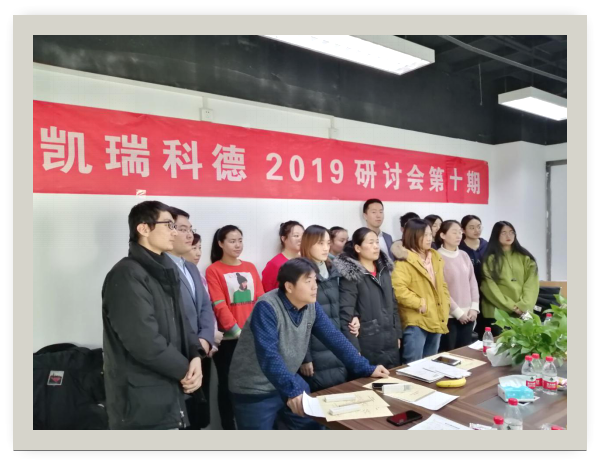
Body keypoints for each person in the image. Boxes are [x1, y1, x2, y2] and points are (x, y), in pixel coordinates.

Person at [229, 258, 390, 430]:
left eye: (315, 280)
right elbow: (269, 355)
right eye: (308, 282)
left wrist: (366, 368)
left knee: (315, 426)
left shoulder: (310, 305)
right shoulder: (267, 307)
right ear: (289, 286)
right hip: (255, 389)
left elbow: (334, 338)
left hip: (287, 379)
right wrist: (292, 390)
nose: (315, 286)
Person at [102, 201, 204, 430]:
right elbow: (143, 341)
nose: (174, 232)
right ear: (143, 229)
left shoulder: (165, 271)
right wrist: (185, 370)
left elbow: (183, 322)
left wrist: (195, 355)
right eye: (169, 225)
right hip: (142, 401)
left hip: (169, 393)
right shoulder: (127, 274)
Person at [206, 225, 265, 430]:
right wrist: (237, 330)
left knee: (252, 385)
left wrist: (258, 329)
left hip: (253, 337)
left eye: (240, 240)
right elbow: (219, 304)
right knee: (227, 386)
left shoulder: (250, 267)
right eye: (232, 241)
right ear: (220, 244)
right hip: (230, 340)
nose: (238, 245)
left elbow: (260, 299)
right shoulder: (214, 270)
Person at [335, 228, 402, 369]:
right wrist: (354, 348)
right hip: (367, 342)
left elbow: (393, 305)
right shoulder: (352, 275)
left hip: (390, 338)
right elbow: (346, 314)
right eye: (371, 243)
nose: (376, 246)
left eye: (377, 242)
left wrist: (397, 334)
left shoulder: (384, 270)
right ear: (358, 248)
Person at [299, 225, 355, 392]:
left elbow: (343, 306)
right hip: (315, 348)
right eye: (320, 243)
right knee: (321, 394)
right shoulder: (300, 273)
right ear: (308, 244)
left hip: (336, 341)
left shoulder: (333, 270)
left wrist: (355, 317)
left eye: (328, 243)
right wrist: (305, 357)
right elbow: (298, 322)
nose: (326, 248)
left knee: (341, 391)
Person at [391, 219, 451, 364]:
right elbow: (398, 289)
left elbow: (442, 284)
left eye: (430, 234)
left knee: (431, 364)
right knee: (413, 365)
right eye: (425, 235)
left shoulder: (435, 256)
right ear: (413, 236)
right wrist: (419, 303)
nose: (429, 238)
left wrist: (446, 302)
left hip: (436, 316)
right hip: (416, 320)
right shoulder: (403, 261)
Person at [183, 232, 224, 429]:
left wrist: (210, 336)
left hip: (205, 346)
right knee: (189, 403)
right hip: (190, 347)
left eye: (200, 247)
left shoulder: (198, 275)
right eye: (194, 247)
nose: (198, 253)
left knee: (201, 402)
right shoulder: (177, 275)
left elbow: (207, 309)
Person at [480, 221, 540, 336]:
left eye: (511, 232)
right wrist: (513, 307)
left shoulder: (525, 257)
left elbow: (532, 284)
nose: (508, 236)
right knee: (498, 346)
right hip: (497, 313)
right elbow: (489, 288)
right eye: (504, 233)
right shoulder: (490, 259)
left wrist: (523, 305)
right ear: (496, 235)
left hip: (522, 312)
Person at [435, 220, 480, 352]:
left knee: (466, 354)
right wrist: (458, 312)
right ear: (443, 235)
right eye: (454, 232)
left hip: (469, 315)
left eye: (460, 232)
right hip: (449, 316)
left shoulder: (464, 255)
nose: (458, 236)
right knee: (450, 354)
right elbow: (440, 289)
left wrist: (474, 308)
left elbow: (472, 282)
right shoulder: (437, 257)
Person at [459, 215, 489, 338]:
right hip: (467, 291)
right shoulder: (459, 247)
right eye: (471, 228)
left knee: (485, 324)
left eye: (478, 227)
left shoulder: (487, 245)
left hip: (487, 290)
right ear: (463, 230)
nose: (476, 230)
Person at [262, 221, 305, 292]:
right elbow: (266, 292)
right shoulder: (274, 264)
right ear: (284, 238)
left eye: (303, 236)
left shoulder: (306, 260)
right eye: (296, 236)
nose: (301, 239)